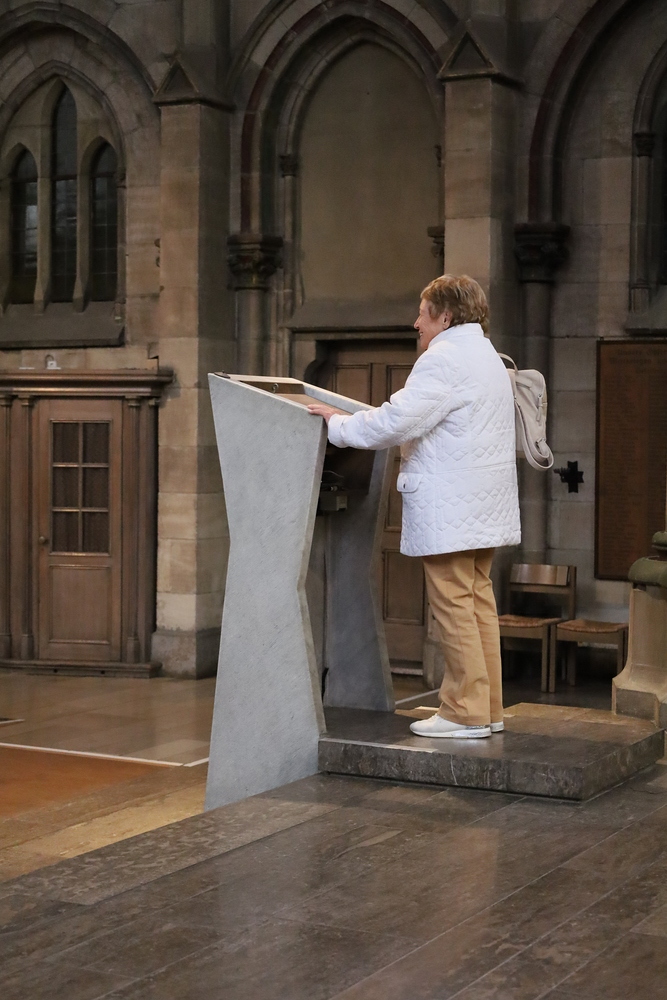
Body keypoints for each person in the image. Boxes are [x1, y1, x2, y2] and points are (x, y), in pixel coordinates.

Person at [307, 274, 520, 739]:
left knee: (455, 607)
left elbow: (397, 421)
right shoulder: (486, 355)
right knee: (477, 603)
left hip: (452, 507)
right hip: (483, 505)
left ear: (446, 316)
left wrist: (338, 425)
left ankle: (464, 712)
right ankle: (488, 708)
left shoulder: (443, 359)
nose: (416, 323)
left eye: (423, 314)